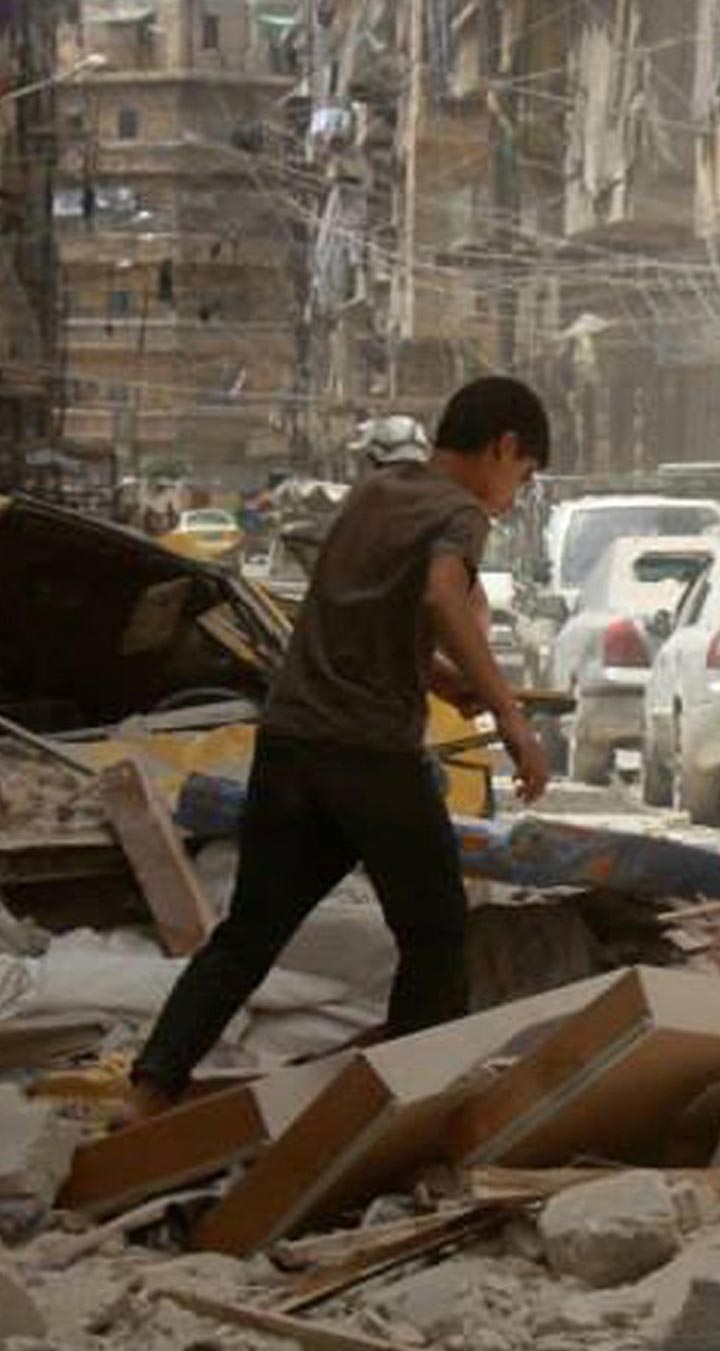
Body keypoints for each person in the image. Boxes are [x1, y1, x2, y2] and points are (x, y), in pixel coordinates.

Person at [122, 377, 555, 1123]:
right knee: (435, 931)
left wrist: (445, 682)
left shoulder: (374, 495)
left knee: (249, 935)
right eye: (523, 475)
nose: (514, 495)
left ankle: (149, 1086)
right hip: (369, 753)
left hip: (292, 741)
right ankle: (407, 1112)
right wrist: (514, 720)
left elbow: (363, 621)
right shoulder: (459, 513)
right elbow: (439, 595)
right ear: (503, 446)